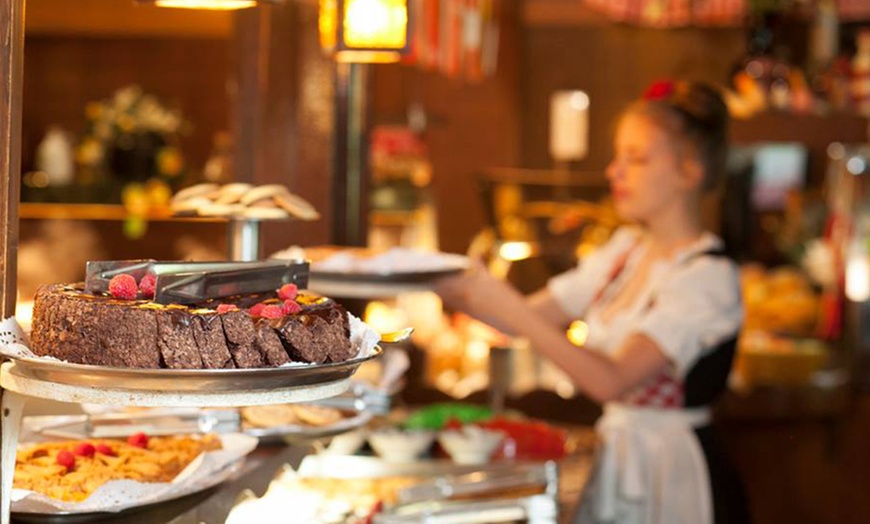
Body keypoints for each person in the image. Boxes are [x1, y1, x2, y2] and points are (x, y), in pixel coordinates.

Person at [436, 79, 750, 524]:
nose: (613, 171)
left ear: (690, 171)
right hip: (617, 455)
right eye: (618, 156)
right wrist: (438, 280)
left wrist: (508, 306)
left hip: (671, 471)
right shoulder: (626, 251)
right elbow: (521, 320)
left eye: (636, 158)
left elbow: (610, 381)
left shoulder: (707, 277)